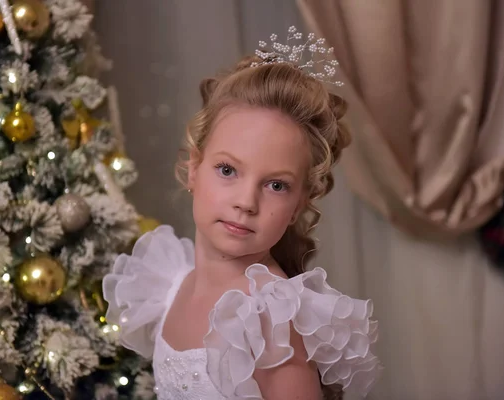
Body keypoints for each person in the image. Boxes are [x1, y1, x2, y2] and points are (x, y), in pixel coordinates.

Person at [103, 27, 381, 400]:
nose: (246, 202)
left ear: (300, 202)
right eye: (228, 170)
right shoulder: (171, 283)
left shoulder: (268, 322)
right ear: (193, 168)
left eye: (276, 185)